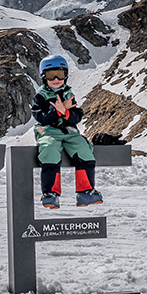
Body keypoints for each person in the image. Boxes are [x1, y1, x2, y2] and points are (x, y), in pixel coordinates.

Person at [32, 54, 101, 209]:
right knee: (49, 149)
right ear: (44, 77)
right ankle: (50, 193)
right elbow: (41, 117)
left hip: (69, 131)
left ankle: (85, 192)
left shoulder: (68, 94)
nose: (56, 79)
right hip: (48, 131)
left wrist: (65, 111)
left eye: (60, 75)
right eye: (51, 75)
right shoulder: (41, 96)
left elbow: (76, 116)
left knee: (83, 149)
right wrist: (58, 111)